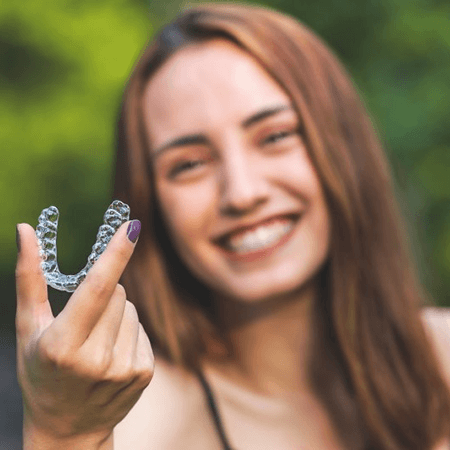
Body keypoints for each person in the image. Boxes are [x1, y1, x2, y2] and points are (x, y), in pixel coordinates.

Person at [15, 2, 450, 450]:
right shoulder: (133, 424)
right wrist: (64, 433)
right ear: (151, 203)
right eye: (189, 164)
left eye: (276, 136)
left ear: (345, 147)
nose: (242, 193)